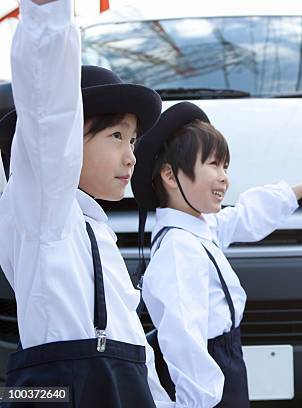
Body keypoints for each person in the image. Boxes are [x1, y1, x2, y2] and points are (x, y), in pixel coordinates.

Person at [0, 0, 173, 406]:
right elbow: (49, 111)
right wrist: (47, 16)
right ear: (66, 142)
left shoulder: (94, 228)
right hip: (61, 389)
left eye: (133, 141)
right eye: (116, 137)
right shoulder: (45, 211)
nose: (131, 156)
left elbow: (132, 344)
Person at [131, 101, 302, 407]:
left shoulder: (198, 228)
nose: (224, 177)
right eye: (213, 165)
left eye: (225, 166)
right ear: (171, 176)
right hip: (209, 370)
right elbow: (183, 339)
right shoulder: (178, 250)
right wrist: (197, 401)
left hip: (225, 357)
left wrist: (298, 190)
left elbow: (243, 217)